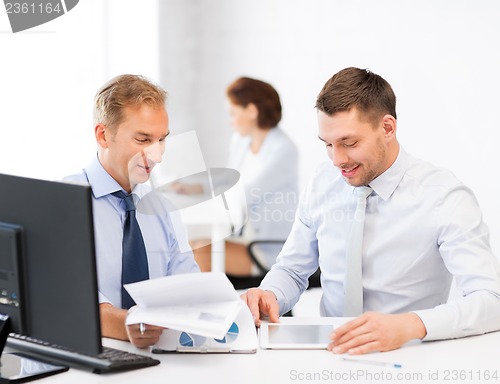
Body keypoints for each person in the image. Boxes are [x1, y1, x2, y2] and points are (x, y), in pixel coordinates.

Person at [242, 67, 500, 355]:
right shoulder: (322, 182)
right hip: (330, 356)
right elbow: (292, 269)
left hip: (410, 357)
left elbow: (491, 299)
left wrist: (411, 325)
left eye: (349, 143)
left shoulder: (444, 197)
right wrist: (270, 294)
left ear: (387, 128)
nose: (337, 159)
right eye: (328, 144)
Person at [64, 74, 200, 348]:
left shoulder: (163, 207)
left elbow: (187, 287)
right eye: (143, 139)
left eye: (162, 140)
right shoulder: (61, 203)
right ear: (103, 135)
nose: (157, 155)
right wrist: (127, 323)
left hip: (158, 357)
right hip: (89, 355)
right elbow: (66, 298)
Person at [171, 77, 299, 276]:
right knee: (185, 246)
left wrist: (205, 197)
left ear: (251, 111)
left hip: (266, 248)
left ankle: (206, 306)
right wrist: (194, 187)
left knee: (199, 253)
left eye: (232, 113)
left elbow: (243, 196)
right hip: (242, 237)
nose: (230, 121)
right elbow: (227, 181)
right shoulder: (241, 142)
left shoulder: (283, 150)